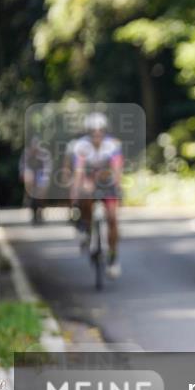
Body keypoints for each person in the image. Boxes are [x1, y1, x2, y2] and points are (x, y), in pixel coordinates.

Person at [72, 112, 124, 278]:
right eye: (93, 133)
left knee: (112, 218)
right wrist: (76, 190)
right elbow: (79, 171)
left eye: (100, 132)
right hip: (89, 180)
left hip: (108, 181)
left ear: (104, 131)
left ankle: (113, 257)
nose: (97, 136)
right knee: (85, 197)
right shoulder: (81, 146)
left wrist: (117, 185)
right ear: (88, 133)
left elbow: (117, 169)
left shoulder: (113, 145)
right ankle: (87, 229)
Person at [19, 137, 52, 224]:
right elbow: (22, 166)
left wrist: (45, 177)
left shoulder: (44, 154)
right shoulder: (26, 153)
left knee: (42, 190)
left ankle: (40, 208)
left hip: (41, 174)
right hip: (31, 174)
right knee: (29, 183)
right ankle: (28, 198)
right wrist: (25, 175)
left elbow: (47, 167)